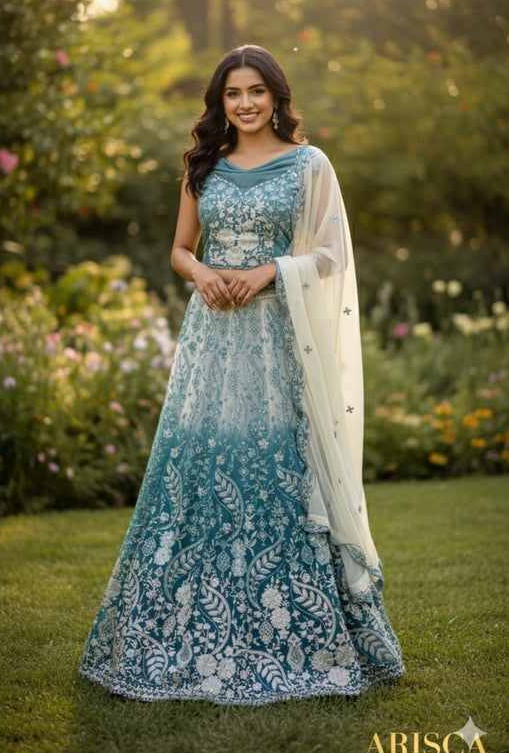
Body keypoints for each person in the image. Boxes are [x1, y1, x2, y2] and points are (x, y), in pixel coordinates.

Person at [80, 45, 404, 704]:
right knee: (195, 466)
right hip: (211, 340)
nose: (246, 103)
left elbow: (331, 253)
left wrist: (268, 273)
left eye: (257, 90)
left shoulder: (309, 164)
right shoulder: (203, 166)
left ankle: (296, 633)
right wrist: (200, 272)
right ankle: (180, 629)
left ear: (277, 96)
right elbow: (178, 248)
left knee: (280, 467)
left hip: (277, 340)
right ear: (219, 103)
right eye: (233, 94)